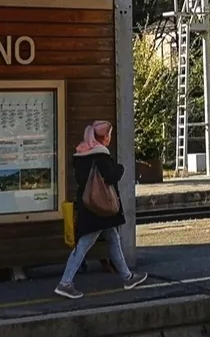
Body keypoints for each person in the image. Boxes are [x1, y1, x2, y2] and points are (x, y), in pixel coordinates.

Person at [55, 120, 147, 299]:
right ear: (105, 137)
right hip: (99, 208)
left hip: (88, 205)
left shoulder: (81, 153)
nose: (110, 139)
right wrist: (120, 168)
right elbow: (111, 177)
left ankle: (128, 277)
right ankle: (65, 283)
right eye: (109, 135)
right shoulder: (100, 155)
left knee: (113, 237)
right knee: (84, 244)